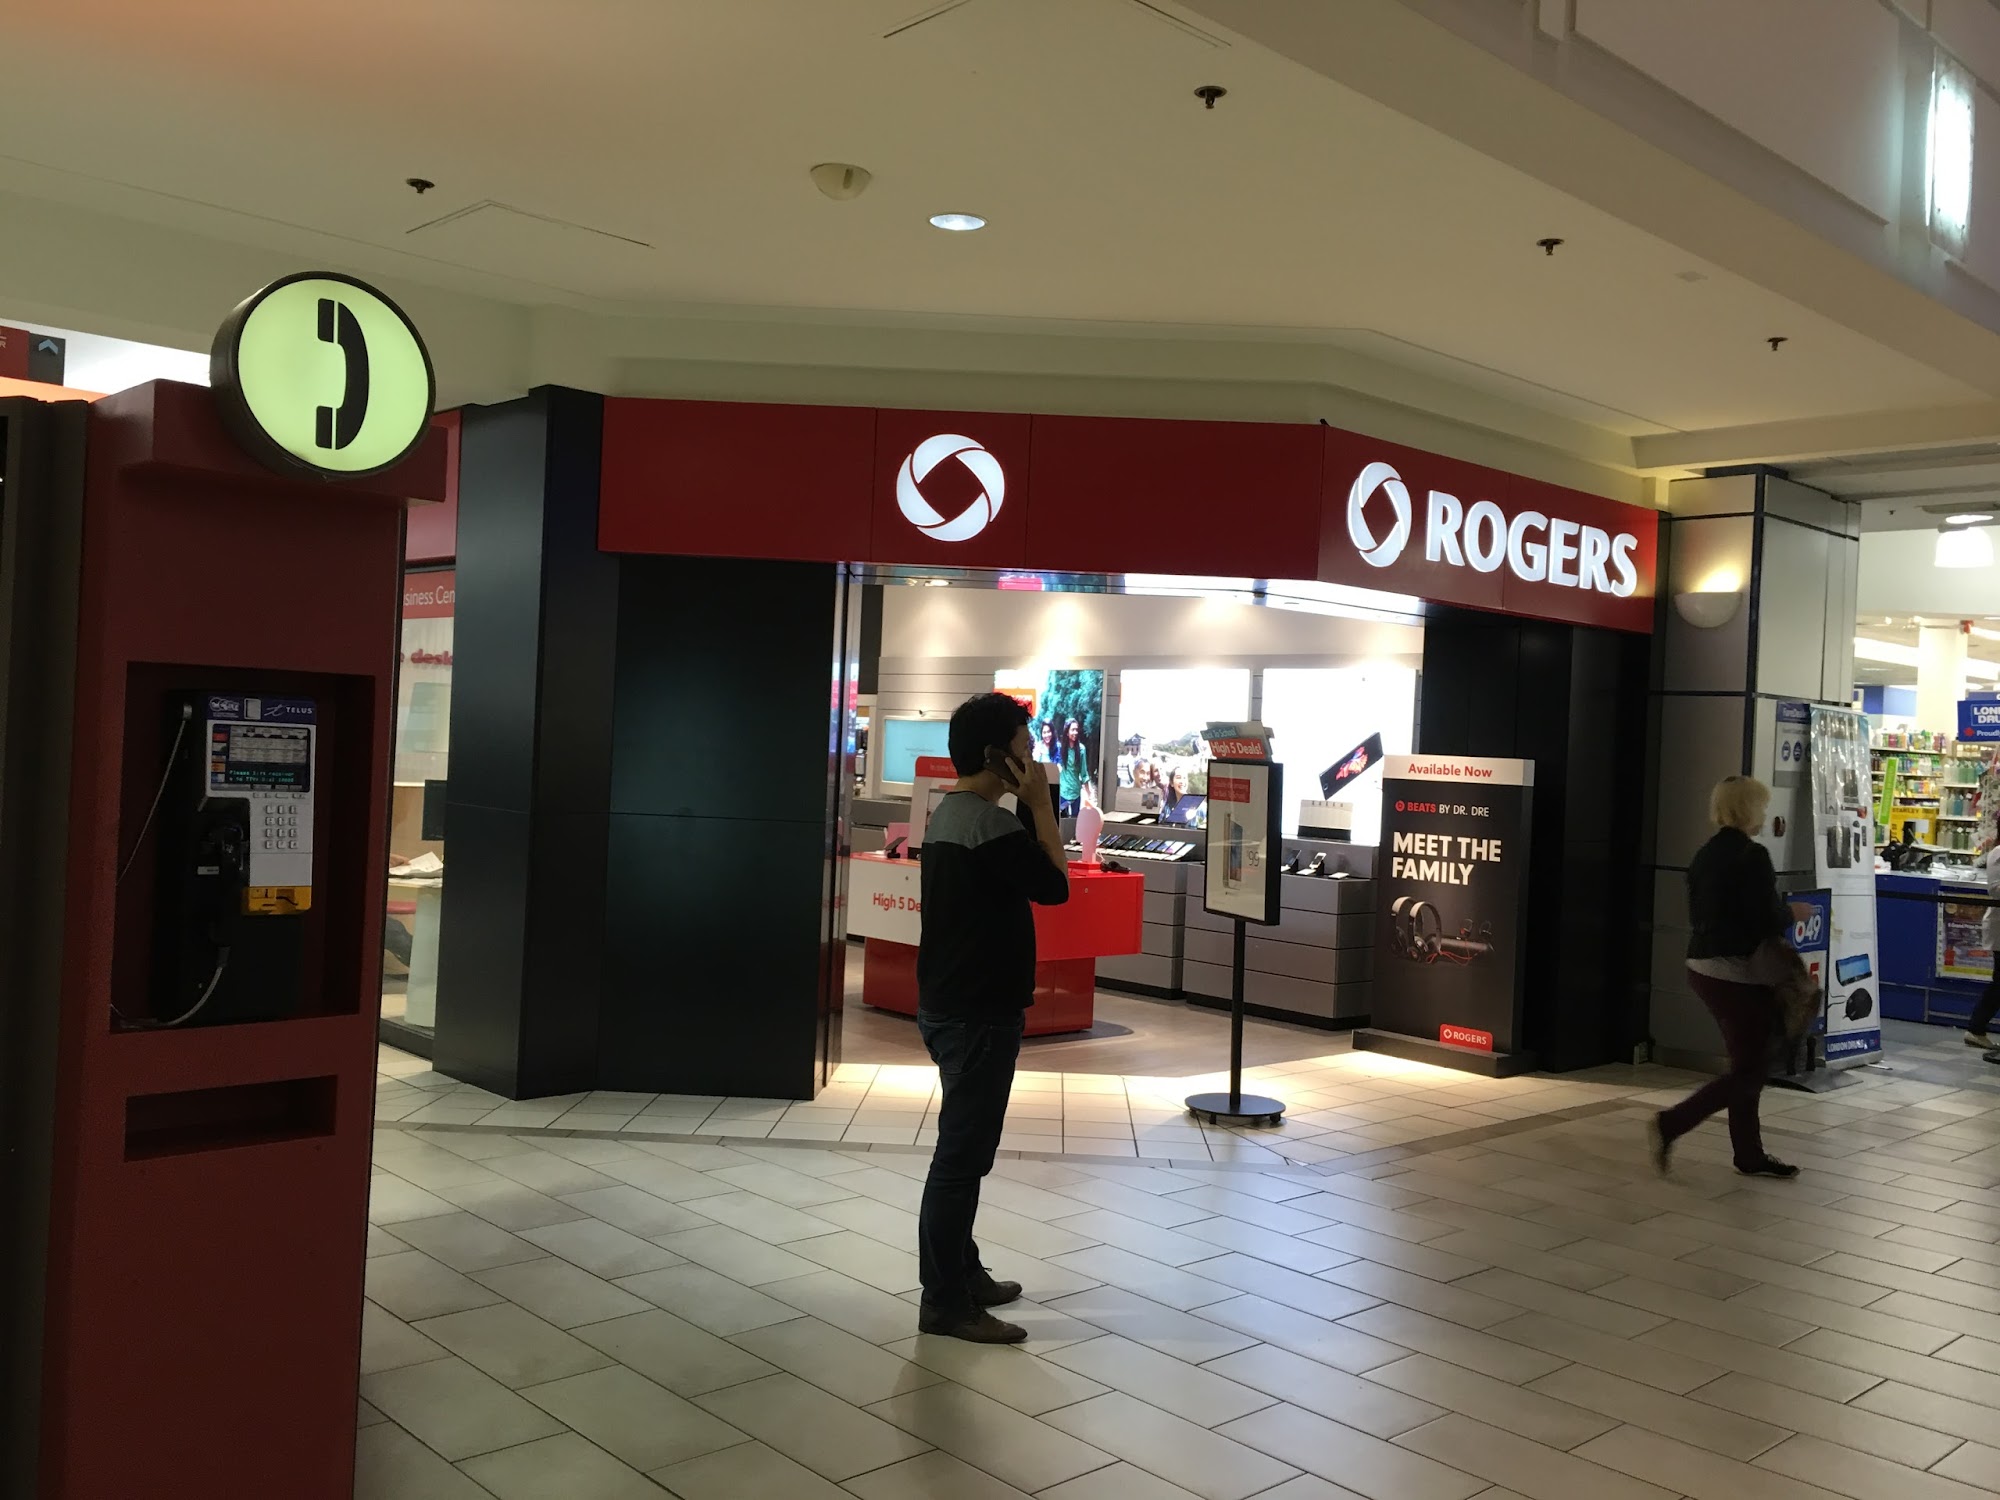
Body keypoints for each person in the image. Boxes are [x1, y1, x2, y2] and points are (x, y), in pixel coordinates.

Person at [915, 692, 1070, 1342]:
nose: (1033, 760)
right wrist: (1041, 806)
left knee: (966, 1151)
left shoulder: (951, 815)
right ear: (994, 755)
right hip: (977, 1013)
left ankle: (964, 1272)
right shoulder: (990, 825)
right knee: (961, 1158)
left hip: (952, 1005)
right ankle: (945, 1302)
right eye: (1025, 747)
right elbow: (1055, 885)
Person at [1651, 775, 1802, 1179]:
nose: (1765, 813)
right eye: (1762, 805)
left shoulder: (1706, 854)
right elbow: (1765, 919)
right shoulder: (1753, 856)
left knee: (1747, 1062)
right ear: (1748, 808)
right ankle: (1673, 1122)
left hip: (1703, 966)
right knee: (1751, 1068)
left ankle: (1749, 1154)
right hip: (1736, 972)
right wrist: (1793, 913)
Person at [1962, 833, 2000, 1049]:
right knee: (1999, 983)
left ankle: (1976, 1028)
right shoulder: (1998, 853)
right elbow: (1995, 889)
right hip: (1999, 926)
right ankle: (1975, 1028)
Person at [1058, 718, 1091, 817]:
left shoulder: (1081, 749)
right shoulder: (1060, 748)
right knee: (1062, 820)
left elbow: (1084, 773)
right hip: (1063, 792)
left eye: (1076, 730)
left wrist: (1088, 794)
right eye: (1072, 730)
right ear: (1067, 732)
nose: (1075, 732)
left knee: (1074, 821)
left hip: (1075, 793)